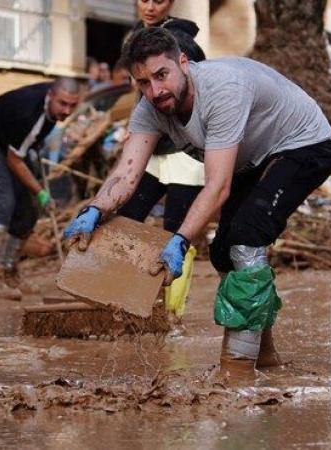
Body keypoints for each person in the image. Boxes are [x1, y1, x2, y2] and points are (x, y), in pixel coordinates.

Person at [63, 27, 331, 379]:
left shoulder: (223, 90)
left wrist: (179, 240)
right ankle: (264, 354)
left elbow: (218, 187)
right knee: (223, 251)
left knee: (246, 236)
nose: (155, 91)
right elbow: (126, 175)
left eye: (162, 75)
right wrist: (93, 210)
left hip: (305, 145)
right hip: (252, 157)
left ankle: (237, 370)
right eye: (143, 83)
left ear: (183, 63)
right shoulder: (150, 108)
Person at [117, 0, 207, 323]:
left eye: (159, 0)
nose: (150, 7)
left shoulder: (181, 43)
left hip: (185, 149)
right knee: (127, 218)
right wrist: (133, 129)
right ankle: (127, 303)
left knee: (177, 232)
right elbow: (140, 96)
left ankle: (172, 315)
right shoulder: (134, 39)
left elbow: (190, 97)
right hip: (153, 149)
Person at [0, 78, 80, 299]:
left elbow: (24, 146)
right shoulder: (29, 114)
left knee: (28, 210)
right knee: (4, 203)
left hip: (10, 144)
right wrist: (40, 192)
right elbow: (14, 160)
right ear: (51, 95)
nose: (67, 110)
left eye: (72, 105)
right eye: (62, 104)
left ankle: (10, 271)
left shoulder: (49, 110)